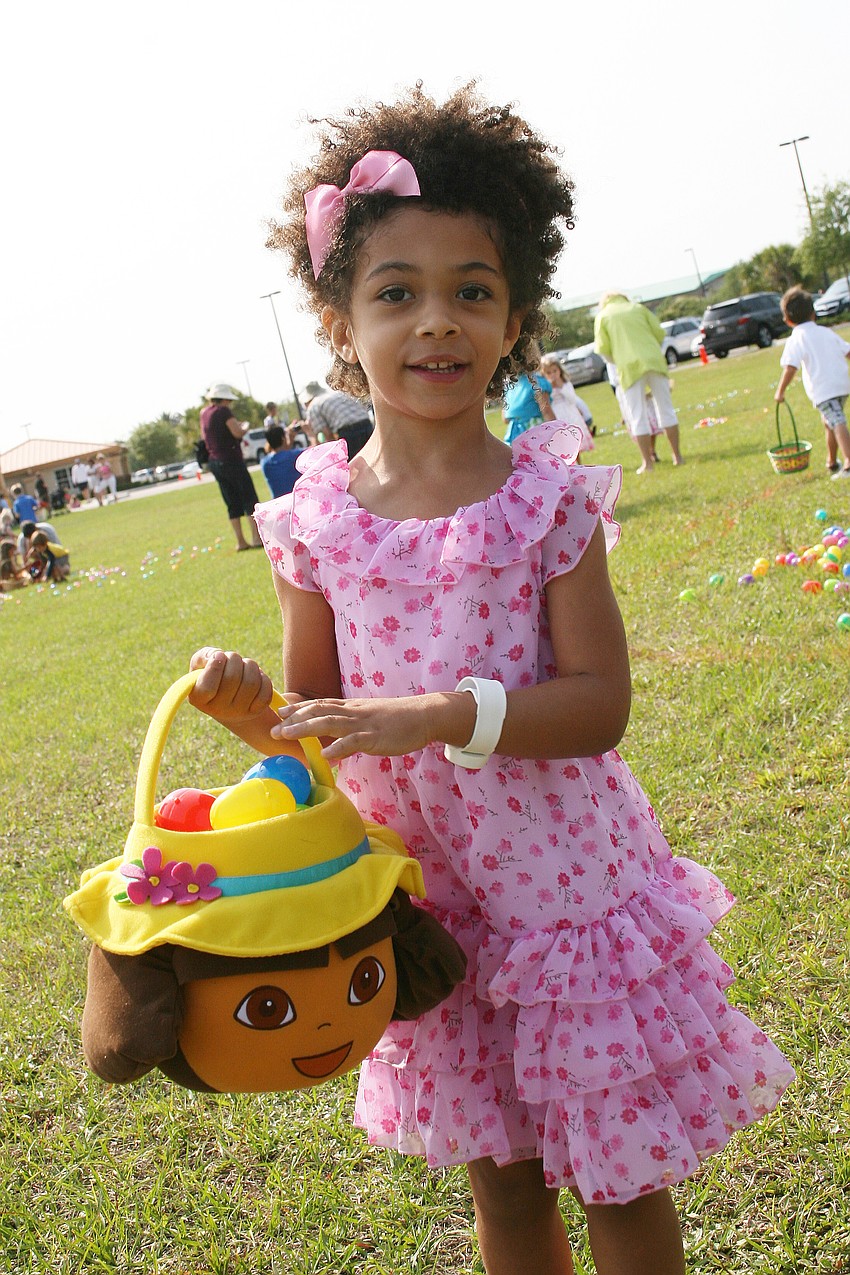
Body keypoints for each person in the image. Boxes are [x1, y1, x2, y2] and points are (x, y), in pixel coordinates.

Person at [188, 85, 794, 1275]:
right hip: (427, 891)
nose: (437, 323)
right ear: (335, 323)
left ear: (515, 316)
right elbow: (309, 732)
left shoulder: (544, 500)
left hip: (565, 889)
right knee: (506, 1187)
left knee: (618, 1180)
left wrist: (433, 713)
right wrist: (248, 710)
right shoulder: (312, 522)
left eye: (472, 290)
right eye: (395, 293)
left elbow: (598, 704)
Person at [594, 294, 683, 474]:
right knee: (666, 409)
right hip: (654, 360)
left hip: (628, 367)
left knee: (637, 415)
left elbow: (603, 350)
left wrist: (618, 360)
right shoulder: (638, 308)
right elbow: (659, 333)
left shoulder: (603, 316)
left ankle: (647, 463)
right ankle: (677, 456)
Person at [775, 285, 850, 479]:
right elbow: (847, 351)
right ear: (813, 313)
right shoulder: (825, 332)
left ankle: (849, 463)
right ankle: (832, 462)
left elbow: (790, 367)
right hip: (841, 385)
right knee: (830, 422)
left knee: (837, 421)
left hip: (824, 390)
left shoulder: (796, 338)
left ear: (787, 319)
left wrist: (780, 391)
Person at [199, 384, 263, 550]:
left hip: (215, 461)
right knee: (248, 497)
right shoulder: (224, 411)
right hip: (231, 459)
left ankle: (240, 541)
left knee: (231, 501)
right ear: (225, 399)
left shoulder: (204, 413)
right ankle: (256, 538)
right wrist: (245, 427)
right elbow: (237, 433)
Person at [539, 355, 594, 461]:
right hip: (557, 414)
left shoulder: (566, 384)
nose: (553, 375)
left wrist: (561, 386)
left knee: (574, 444)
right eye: (549, 373)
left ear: (559, 370)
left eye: (555, 371)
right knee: (562, 445)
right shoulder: (546, 389)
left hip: (570, 415)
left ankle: (579, 463)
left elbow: (572, 399)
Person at [300, 380, 374, 456]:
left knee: (357, 464)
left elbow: (328, 435)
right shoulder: (339, 393)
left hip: (349, 433)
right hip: (367, 424)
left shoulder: (314, 405)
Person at [259, 420, 318, 499]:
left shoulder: (264, 463)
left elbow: (281, 454)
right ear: (283, 438)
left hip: (279, 504)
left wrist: (290, 438)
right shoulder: (294, 456)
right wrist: (309, 432)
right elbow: (316, 450)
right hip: (297, 501)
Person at [501, 369, 554, 442]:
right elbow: (546, 412)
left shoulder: (510, 387)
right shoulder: (535, 382)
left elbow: (505, 419)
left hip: (523, 433)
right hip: (525, 433)